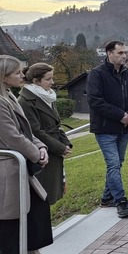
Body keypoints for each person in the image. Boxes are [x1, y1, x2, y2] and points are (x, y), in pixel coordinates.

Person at [0, 55, 53, 253]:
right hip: (8, 172)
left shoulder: (9, 95)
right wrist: (36, 154)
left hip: (19, 169)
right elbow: (12, 136)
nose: (22, 75)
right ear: (4, 77)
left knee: (31, 216)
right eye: (17, 73)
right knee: (12, 226)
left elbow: (26, 130)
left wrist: (41, 147)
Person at [87, 40, 128, 218]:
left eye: (125, 52)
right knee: (113, 164)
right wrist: (120, 115)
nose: (124, 56)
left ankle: (106, 197)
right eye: (120, 53)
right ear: (109, 53)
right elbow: (95, 101)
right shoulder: (97, 74)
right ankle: (120, 201)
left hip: (124, 128)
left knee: (117, 164)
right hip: (105, 128)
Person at [18, 63, 73, 206]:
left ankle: (48, 225)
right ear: (36, 81)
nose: (52, 82)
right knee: (42, 194)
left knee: (51, 193)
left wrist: (65, 143)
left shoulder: (47, 96)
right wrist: (59, 147)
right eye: (48, 79)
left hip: (52, 149)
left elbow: (55, 125)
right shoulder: (26, 101)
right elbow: (35, 131)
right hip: (42, 153)